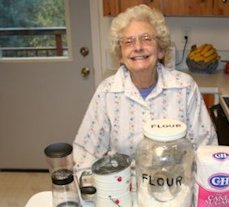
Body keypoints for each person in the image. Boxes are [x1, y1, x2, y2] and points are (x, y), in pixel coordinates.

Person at [73, 4, 217, 175]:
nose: (138, 47)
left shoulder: (184, 88)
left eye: (147, 38)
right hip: (124, 191)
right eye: (129, 41)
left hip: (175, 189)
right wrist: (94, 192)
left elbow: (206, 148)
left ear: (161, 49)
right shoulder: (107, 92)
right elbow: (85, 154)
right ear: (120, 55)